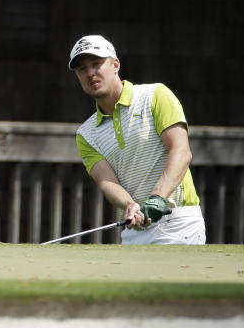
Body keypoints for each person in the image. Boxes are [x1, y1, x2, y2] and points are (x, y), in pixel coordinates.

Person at [69, 35, 206, 245]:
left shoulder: (155, 95)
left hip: (179, 223)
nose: (90, 73)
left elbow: (181, 151)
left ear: (115, 64)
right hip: (134, 228)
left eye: (96, 64)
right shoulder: (86, 134)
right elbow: (108, 182)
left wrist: (158, 198)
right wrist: (129, 204)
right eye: (82, 69)